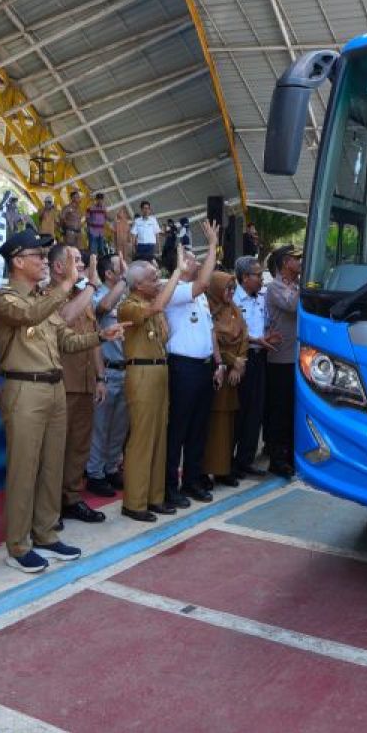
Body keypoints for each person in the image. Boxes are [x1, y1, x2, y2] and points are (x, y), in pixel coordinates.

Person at [0, 229, 123, 573]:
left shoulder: (42, 296)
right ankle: (18, 544)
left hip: (52, 386)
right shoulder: (6, 297)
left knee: (52, 465)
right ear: (17, 261)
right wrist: (67, 287)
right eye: (37, 256)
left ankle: (46, 534)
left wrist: (100, 335)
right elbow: (28, 316)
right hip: (24, 388)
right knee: (24, 468)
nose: (43, 261)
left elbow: (64, 338)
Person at [117, 259, 183, 521]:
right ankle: (134, 502)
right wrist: (177, 270)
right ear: (138, 284)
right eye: (153, 279)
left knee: (159, 435)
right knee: (142, 438)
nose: (158, 282)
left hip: (159, 370)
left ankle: (154, 497)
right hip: (141, 371)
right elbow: (158, 305)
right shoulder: (128, 306)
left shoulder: (151, 307)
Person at [162, 221, 222, 506]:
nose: (194, 260)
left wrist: (218, 363)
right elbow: (204, 283)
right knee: (179, 428)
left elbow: (210, 331)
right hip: (183, 368)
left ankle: (192, 480)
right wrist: (212, 245)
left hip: (203, 366)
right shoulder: (170, 289)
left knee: (199, 427)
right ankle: (169, 486)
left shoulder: (199, 297)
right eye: (188, 257)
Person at [53, 245, 107, 525]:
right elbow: (64, 319)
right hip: (63, 381)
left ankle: (72, 498)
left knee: (79, 447)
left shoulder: (84, 296)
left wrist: (100, 377)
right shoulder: (52, 294)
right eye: (76, 262)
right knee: (57, 448)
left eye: (83, 264)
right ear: (59, 266)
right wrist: (89, 288)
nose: (82, 268)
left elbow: (94, 338)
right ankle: (52, 505)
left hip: (85, 381)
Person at [86, 252, 129, 496]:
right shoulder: (100, 295)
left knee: (119, 427)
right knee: (101, 427)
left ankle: (112, 468)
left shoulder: (125, 296)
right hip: (108, 370)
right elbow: (103, 308)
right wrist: (126, 279)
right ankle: (95, 473)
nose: (124, 270)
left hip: (126, 368)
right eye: (118, 267)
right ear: (110, 274)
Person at [232, 257, 277, 478]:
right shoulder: (232, 298)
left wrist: (267, 338)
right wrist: (256, 340)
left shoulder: (262, 299)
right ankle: (228, 462)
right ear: (244, 277)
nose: (261, 279)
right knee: (237, 411)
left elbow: (265, 325)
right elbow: (233, 331)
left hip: (260, 357)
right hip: (241, 358)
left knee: (255, 411)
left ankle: (245, 460)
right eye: (257, 275)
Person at [202, 271, 248, 486]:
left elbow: (244, 338)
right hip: (216, 373)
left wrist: (239, 364)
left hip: (233, 376)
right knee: (212, 426)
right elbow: (211, 343)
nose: (230, 293)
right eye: (226, 289)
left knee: (230, 423)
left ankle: (224, 468)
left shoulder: (234, 310)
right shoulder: (207, 310)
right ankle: (207, 469)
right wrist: (230, 360)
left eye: (233, 289)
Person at [265, 244, 301, 478]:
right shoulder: (274, 287)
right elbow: (292, 305)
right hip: (280, 359)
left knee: (292, 409)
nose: (300, 263)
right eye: (297, 260)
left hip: (296, 357)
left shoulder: (295, 286)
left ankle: (290, 454)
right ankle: (277, 459)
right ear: (286, 262)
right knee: (280, 410)